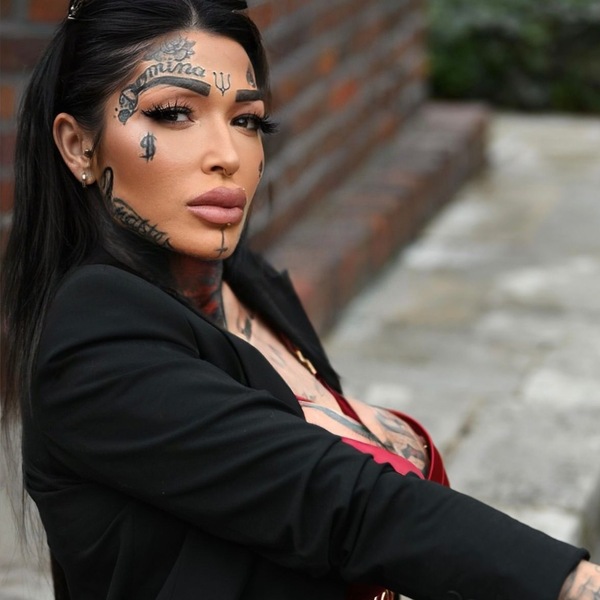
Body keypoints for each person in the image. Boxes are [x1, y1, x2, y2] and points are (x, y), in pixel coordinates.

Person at [1, 0, 598, 598]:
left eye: (247, 120)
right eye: (175, 113)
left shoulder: (245, 282)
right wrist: (569, 583)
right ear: (79, 146)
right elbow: (338, 501)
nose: (227, 155)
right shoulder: (93, 343)